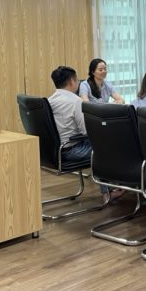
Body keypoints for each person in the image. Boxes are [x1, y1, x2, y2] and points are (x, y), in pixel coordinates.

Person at [49, 66, 118, 205]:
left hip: (55, 151)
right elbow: (87, 131)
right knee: (107, 148)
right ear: (71, 82)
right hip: (72, 150)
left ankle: (111, 187)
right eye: (77, 80)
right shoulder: (75, 101)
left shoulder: (49, 100)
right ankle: (108, 192)